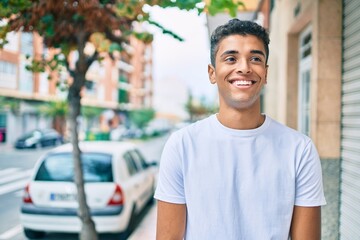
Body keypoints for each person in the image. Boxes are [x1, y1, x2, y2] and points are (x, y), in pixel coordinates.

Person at [154, 19, 326, 240]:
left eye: (255, 59)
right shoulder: (182, 146)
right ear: (212, 73)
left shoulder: (300, 150)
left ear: (265, 73)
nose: (244, 67)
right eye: (231, 59)